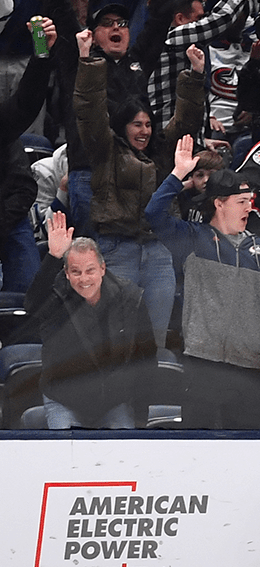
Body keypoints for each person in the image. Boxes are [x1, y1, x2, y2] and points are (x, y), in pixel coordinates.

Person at [75, 29, 204, 348]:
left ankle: (151, 397)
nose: (144, 130)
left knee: (155, 341)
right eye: (137, 124)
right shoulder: (105, 149)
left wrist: (195, 75)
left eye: (148, 124)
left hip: (158, 252)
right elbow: (89, 110)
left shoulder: (162, 150)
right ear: (123, 126)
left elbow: (186, 122)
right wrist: (87, 60)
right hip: (116, 251)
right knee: (115, 341)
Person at [146, 136, 260, 430]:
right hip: (202, 367)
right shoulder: (193, 239)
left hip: (250, 369)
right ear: (219, 203)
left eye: (251, 201)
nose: (248, 208)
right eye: (241, 202)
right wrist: (177, 174)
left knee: (247, 456)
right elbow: (153, 214)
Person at [25, 212, 156, 430]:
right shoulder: (56, 294)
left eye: (90, 270)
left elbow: (146, 359)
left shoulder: (130, 297)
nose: (84, 279)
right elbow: (31, 306)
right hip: (63, 399)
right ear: (66, 273)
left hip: (113, 402)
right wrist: (53, 257)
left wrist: (141, 414)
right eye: (76, 272)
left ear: (102, 269)